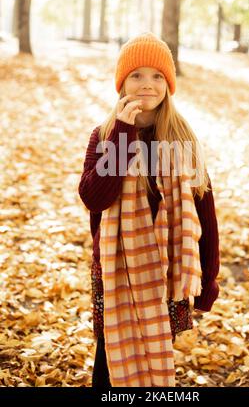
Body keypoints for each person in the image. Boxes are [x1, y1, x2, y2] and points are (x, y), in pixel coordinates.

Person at [78, 32, 220, 388]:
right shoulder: (105, 134)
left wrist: (209, 280)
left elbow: (205, 211)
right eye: (136, 75)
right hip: (115, 271)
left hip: (167, 271)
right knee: (109, 360)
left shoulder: (180, 138)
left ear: (168, 85)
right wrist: (124, 135)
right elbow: (95, 197)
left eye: (157, 76)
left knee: (156, 356)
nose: (147, 84)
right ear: (122, 82)